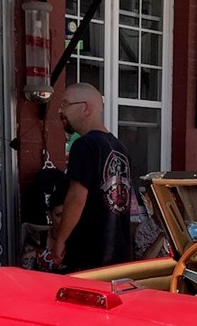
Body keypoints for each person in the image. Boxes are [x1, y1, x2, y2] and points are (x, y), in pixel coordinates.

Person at [46, 83, 134, 271]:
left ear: (86, 108)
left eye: (65, 104)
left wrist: (60, 240)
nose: (60, 111)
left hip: (90, 258)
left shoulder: (84, 146)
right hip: (120, 258)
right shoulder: (121, 148)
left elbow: (77, 199)